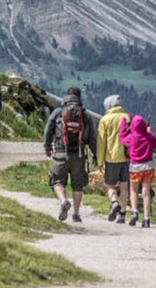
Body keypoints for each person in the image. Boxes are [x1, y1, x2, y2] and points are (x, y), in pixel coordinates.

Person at [43, 87, 98, 222]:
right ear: (79, 98)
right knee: (78, 185)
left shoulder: (58, 112)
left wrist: (48, 147)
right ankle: (76, 214)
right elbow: (92, 138)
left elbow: (47, 130)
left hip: (61, 152)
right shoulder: (85, 115)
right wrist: (96, 154)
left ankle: (63, 201)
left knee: (57, 181)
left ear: (67, 96)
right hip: (79, 155)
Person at [119, 113, 156, 228]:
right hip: (148, 166)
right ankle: (146, 219)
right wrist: (150, 132)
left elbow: (122, 138)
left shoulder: (131, 137)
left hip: (135, 167)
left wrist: (123, 122)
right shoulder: (148, 136)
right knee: (146, 193)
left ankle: (134, 211)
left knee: (133, 190)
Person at [97, 94, 133, 222]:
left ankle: (114, 202)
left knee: (110, 185)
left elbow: (101, 142)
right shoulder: (128, 117)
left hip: (111, 157)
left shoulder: (105, 120)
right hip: (127, 158)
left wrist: (100, 161)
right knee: (124, 187)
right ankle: (122, 215)